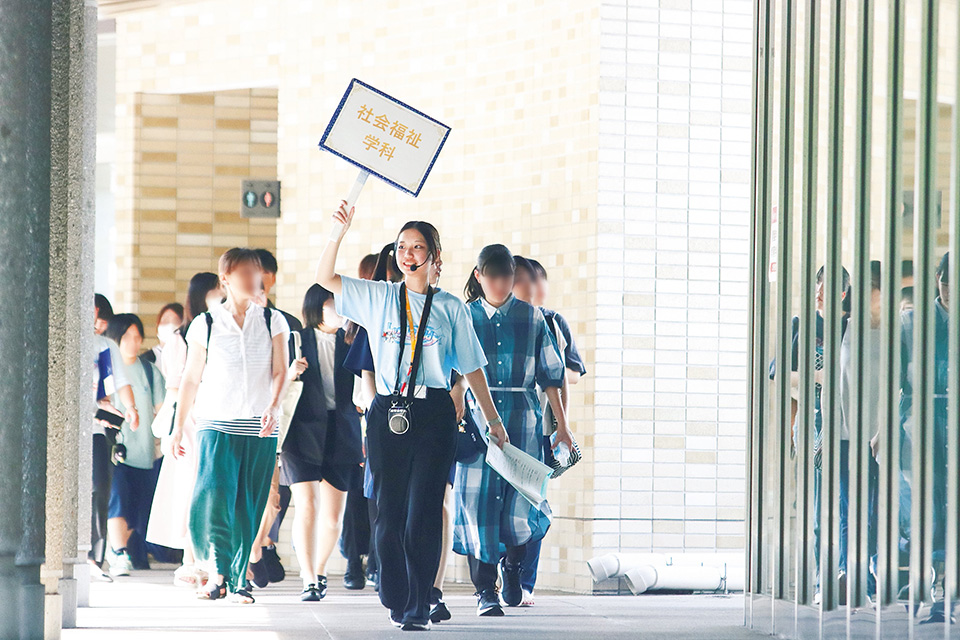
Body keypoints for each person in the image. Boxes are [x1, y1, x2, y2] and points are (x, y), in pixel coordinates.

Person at [317, 202, 506, 631]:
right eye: (402, 246)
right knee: (389, 510)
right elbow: (324, 279)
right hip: (388, 411)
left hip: (434, 411)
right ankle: (396, 591)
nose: (407, 253)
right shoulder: (379, 296)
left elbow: (472, 368)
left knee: (423, 510)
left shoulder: (451, 307)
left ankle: (419, 602)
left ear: (434, 258)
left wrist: (493, 421)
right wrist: (337, 232)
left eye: (417, 246)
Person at [452, 244, 571, 617]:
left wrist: (563, 427)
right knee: (478, 505)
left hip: (524, 421)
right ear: (478, 276)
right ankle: (485, 590)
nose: (500, 283)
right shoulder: (463, 317)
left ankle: (514, 567)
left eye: (507, 276)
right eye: (492, 276)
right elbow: (453, 373)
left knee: (524, 502)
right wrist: (455, 409)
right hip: (478, 427)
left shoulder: (534, 318)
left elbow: (552, 376)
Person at [170, 248, 290, 604]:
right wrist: (178, 427)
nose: (255, 279)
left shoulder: (273, 320)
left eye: (257, 272)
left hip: (259, 425)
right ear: (226, 279)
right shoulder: (205, 324)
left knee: (249, 505)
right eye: (246, 273)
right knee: (215, 495)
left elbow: (281, 370)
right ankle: (219, 572)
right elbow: (190, 378)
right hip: (214, 423)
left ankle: (237, 579)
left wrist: (273, 405)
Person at [512, 256, 587, 604]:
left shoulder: (553, 322)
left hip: (540, 425)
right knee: (502, 505)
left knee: (534, 504)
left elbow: (570, 372)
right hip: (503, 428)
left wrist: (546, 368)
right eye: (525, 279)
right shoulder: (494, 321)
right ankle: (502, 574)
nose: (533, 286)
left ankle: (525, 581)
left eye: (538, 279)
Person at [281, 284, 362, 601]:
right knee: (308, 506)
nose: (339, 309)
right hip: (301, 432)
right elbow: (275, 382)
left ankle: (320, 568)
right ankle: (309, 577)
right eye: (333, 303)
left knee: (332, 518)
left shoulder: (352, 341)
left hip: (342, 430)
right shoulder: (296, 339)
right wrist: (290, 374)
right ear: (317, 305)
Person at [146, 272, 222, 588]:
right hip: (190, 422)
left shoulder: (224, 329)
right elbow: (176, 388)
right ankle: (190, 559)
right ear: (203, 295)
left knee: (213, 488)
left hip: (217, 417)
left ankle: (208, 559)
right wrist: (176, 427)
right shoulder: (181, 337)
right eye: (218, 291)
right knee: (192, 489)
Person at [896, 252, 950, 621]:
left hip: (953, 420)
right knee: (923, 501)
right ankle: (929, 576)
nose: (951, 291)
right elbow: (895, 379)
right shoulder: (911, 323)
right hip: (921, 419)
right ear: (936, 279)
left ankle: (943, 580)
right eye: (946, 282)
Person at [249, 248, 303, 586]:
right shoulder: (227, 323)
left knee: (272, 499)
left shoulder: (284, 323)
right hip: (237, 421)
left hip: (275, 423)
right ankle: (253, 553)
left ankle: (258, 548)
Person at [103, 314, 165, 576]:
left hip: (146, 453)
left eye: (137, 336)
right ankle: (118, 553)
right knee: (117, 501)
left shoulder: (150, 372)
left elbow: (162, 412)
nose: (134, 342)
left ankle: (118, 548)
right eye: (127, 336)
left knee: (140, 511)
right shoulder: (107, 368)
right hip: (116, 452)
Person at [91, 294, 139, 581]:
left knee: (99, 488)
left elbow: (119, 382)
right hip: (70, 425)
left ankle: (95, 557)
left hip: (98, 427)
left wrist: (130, 408)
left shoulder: (105, 346)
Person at [142, 302, 184, 369]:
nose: (170, 326)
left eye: (176, 321)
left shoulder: (189, 356)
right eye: (165, 321)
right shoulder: (148, 359)